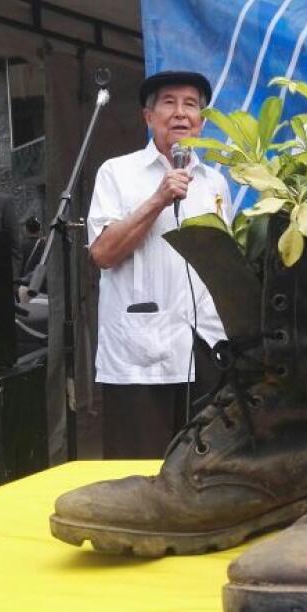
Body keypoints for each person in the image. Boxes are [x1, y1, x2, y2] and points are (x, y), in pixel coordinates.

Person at [86, 70, 232, 458]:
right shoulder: (117, 172)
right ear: (148, 117)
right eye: (169, 102)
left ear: (202, 121)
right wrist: (157, 200)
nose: (180, 114)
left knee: (204, 472)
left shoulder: (216, 183)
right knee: (137, 477)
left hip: (205, 351)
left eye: (191, 105)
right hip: (140, 356)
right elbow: (102, 253)